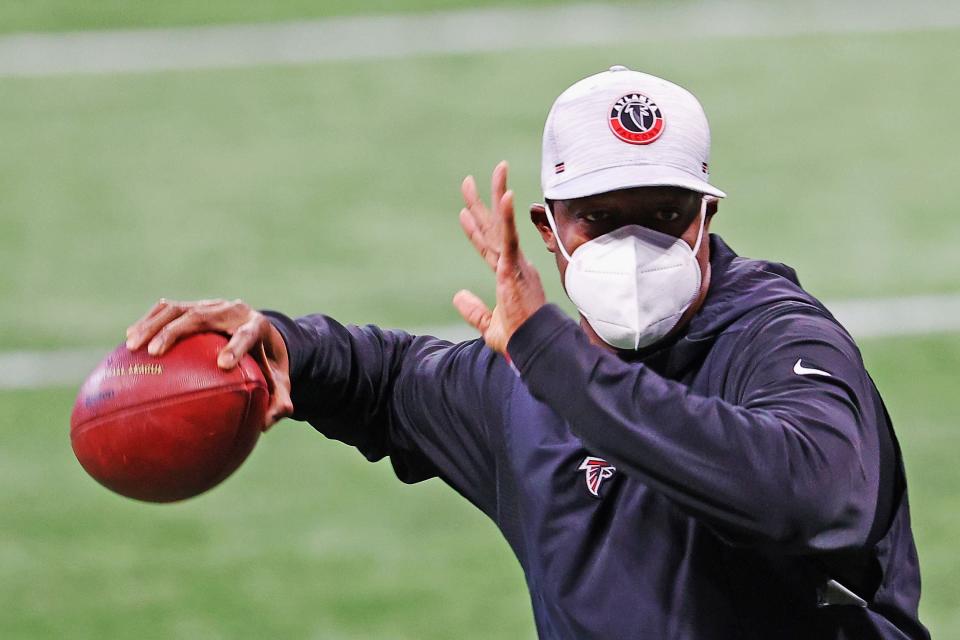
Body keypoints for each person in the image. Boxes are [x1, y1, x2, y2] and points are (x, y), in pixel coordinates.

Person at [125, 66, 929, 638]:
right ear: (549, 230)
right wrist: (288, 344)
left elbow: (807, 495)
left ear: (706, 215)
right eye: (599, 218)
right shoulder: (520, 384)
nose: (635, 240)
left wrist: (551, 356)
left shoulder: (781, 339)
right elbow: (394, 380)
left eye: (664, 210)